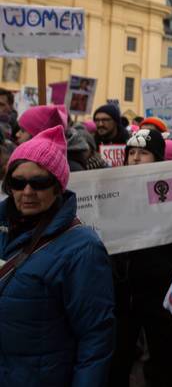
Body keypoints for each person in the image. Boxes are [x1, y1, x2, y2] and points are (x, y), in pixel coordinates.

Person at [0, 125, 114, 386]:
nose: (27, 191)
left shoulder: (82, 247)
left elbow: (95, 337)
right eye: (18, 182)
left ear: (57, 187)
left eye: (39, 182)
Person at [109, 128, 172, 387]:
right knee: (119, 355)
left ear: (157, 158)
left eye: (143, 153)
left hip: (158, 289)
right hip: (124, 291)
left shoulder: (169, 189)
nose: (135, 158)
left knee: (163, 356)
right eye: (131, 152)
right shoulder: (116, 190)